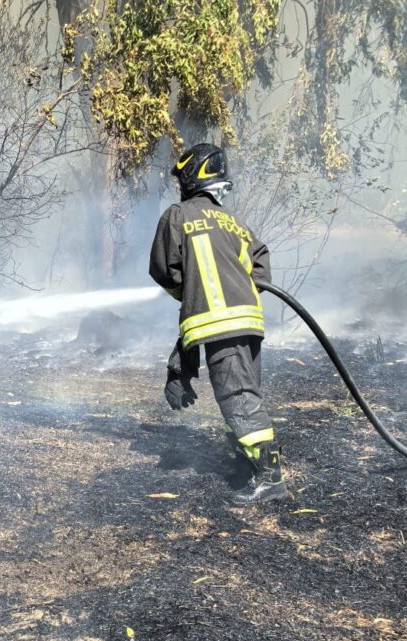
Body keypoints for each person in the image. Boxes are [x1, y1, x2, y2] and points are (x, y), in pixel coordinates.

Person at [148, 142, 286, 505]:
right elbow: (261, 268)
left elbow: (164, 271)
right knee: (243, 393)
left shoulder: (177, 216)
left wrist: (188, 290)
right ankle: (247, 464)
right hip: (248, 324)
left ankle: (270, 478)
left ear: (193, 175)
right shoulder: (235, 224)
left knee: (237, 397)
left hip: (222, 324)